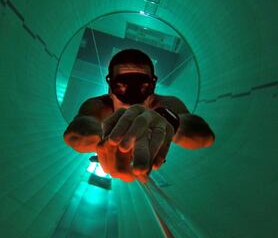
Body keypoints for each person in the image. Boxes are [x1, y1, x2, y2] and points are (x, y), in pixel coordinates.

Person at [63, 49, 215, 183]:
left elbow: (202, 136)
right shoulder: (100, 106)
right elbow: (79, 133)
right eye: (122, 86)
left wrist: (165, 122)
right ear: (110, 87)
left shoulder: (164, 104)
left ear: (153, 85)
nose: (132, 98)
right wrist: (104, 142)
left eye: (141, 87)